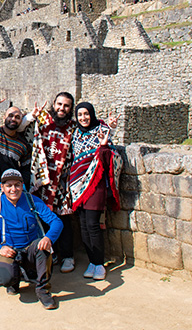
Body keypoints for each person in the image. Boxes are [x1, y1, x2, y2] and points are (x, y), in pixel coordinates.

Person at [0, 169, 64, 310]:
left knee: (43, 248)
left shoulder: (32, 201)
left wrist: (48, 238)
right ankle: (13, 282)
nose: (13, 189)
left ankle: (43, 290)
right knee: (5, 277)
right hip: (10, 250)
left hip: (31, 248)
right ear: (2, 187)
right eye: (9, 186)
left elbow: (56, 222)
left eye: (17, 185)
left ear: (22, 185)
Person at [68, 102, 122, 281]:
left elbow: (107, 157)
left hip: (95, 183)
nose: (83, 118)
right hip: (77, 184)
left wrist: (106, 139)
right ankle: (92, 261)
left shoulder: (101, 130)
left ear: (92, 114)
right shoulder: (75, 133)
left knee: (92, 224)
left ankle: (99, 264)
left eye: (86, 114)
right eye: (80, 115)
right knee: (83, 225)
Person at [27, 92, 77, 273]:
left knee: (63, 219)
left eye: (66, 106)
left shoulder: (74, 127)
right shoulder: (42, 121)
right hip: (42, 181)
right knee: (43, 219)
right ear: (53, 104)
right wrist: (32, 116)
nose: (62, 108)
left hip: (63, 182)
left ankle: (68, 256)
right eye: (59, 104)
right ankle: (50, 254)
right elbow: (19, 128)